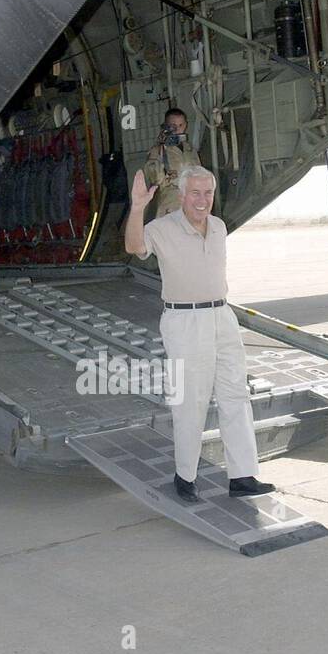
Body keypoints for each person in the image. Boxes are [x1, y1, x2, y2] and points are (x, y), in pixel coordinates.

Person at [125, 164, 275, 501]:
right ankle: (185, 478)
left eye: (208, 192)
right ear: (181, 195)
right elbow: (134, 246)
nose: (202, 199)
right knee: (190, 401)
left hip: (222, 315)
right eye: (195, 192)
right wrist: (137, 208)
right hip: (184, 321)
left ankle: (242, 476)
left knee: (235, 395)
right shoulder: (162, 228)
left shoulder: (219, 227)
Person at [144, 107, 202, 218]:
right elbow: (154, 179)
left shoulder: (190, 150)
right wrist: (160, 149)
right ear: (165, 127)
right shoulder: (158, 150)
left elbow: (199, 173)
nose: (177, 130)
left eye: (180, 125)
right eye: (172, 126)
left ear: (185, 126)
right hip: (171, 203)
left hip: (192, 202)